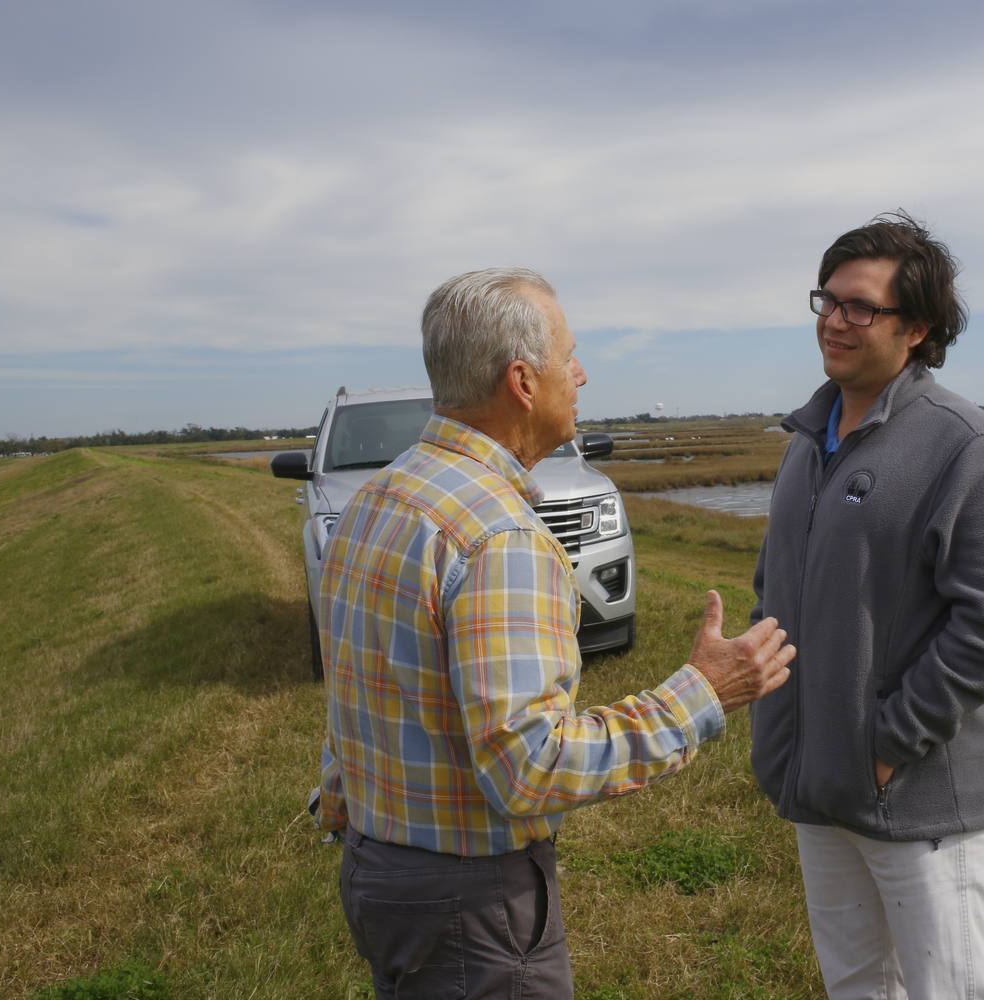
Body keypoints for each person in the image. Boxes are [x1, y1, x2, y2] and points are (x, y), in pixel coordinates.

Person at [313, 266, 796, 1000]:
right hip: (469, 908)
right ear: (523, 382)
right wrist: (702, 694)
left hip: (379, 871)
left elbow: (360, 691)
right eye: (568, 355)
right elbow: (528, 769)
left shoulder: (379, 498)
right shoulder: (500, 535)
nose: (582, 373)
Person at [749, 213, 984, 1000]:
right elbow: (774, 588)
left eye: (860, 307)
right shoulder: (805, 442)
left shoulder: (965, 447)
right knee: (855, 985)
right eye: (827, 301)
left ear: (916, 328)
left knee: (951, 989)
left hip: (916, 798)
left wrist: (888, 742)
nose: (834, 322)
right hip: (816, 784)